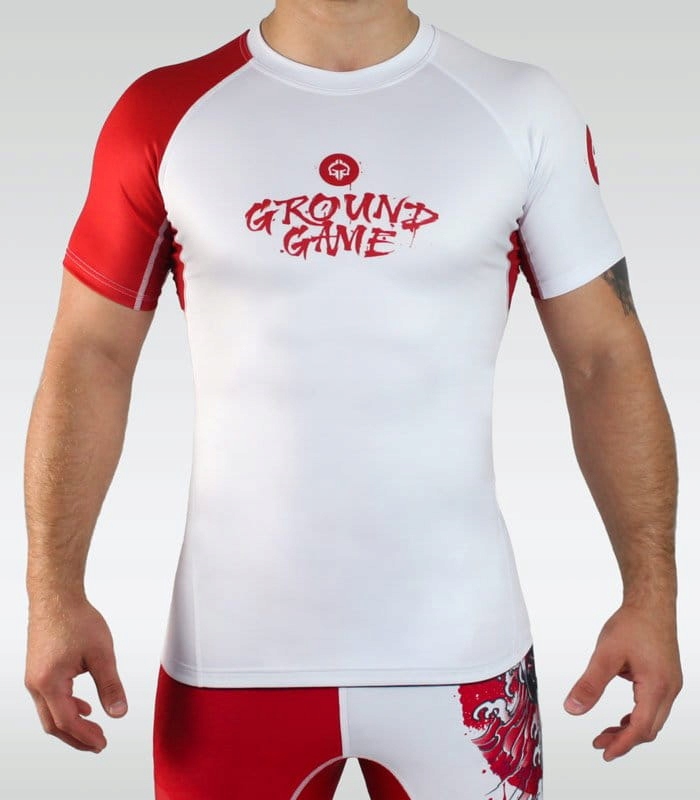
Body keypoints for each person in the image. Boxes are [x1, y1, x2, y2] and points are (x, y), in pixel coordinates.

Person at [24, 1, 683, 798]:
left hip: (464, 664)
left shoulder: (520, 109)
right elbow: (89, 355)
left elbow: (604, 360)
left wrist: (651, 594)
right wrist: (53, 593)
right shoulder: (164, 114)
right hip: (233, 663)